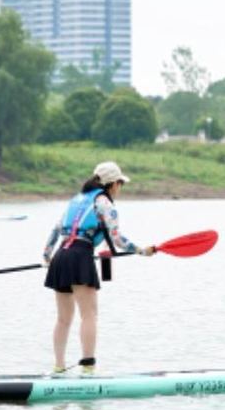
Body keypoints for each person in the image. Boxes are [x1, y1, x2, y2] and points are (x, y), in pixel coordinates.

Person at [41, 160, 156, 375]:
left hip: (60, 256)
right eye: (120, 184)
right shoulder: (105, 203)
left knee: (63, 318)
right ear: (113, 184)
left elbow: (56, 230)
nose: (120, 189)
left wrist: (47, 256)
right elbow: (117, 239)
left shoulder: (76, 199)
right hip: (80, 257)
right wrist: (142, 250)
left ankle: (58, 367)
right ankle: (88, 367)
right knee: (89, 315)